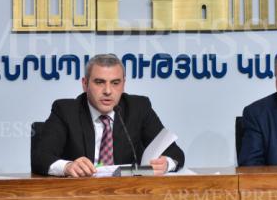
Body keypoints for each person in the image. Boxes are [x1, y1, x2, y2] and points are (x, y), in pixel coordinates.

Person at [31, 53, 185, 177]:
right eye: (99, 82)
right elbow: (40, 157)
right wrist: (68, 166)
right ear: (85, 84)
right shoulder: (65, 111)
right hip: (78, 198)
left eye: (115, 83)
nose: (108, 91)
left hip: (129, 198)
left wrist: (166, 163)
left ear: (123, 84)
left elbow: (175, 153)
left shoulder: (138, 108)